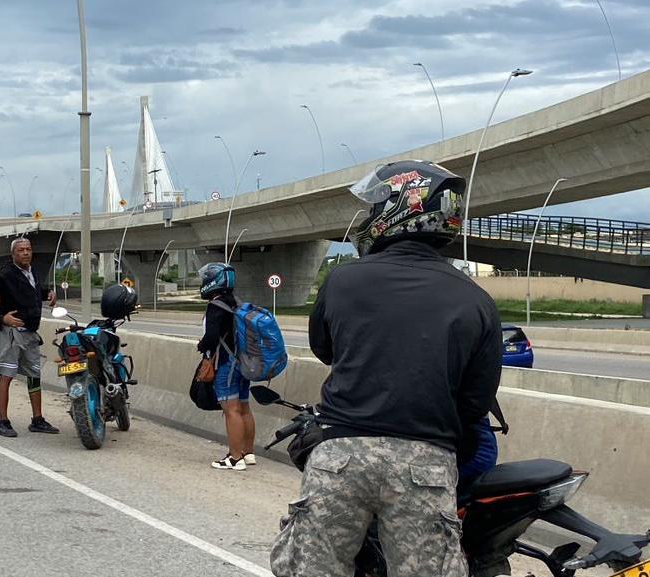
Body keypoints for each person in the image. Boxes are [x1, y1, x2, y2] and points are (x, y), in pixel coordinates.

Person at [270, 160, 501, 577]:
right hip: (424, 463)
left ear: (397, 208)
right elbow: (475, 401)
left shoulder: (342, 280)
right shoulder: (476, 299)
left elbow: (327, 350)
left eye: (376, 204)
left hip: (341, 455)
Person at [0, 237, 59, 437]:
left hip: (30, 332)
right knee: (7, 375)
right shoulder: (4, 275)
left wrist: (49, 293)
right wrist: (3, 318)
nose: (26, 253)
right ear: (13, 254)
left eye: (28, 249)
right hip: (13, 333)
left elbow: (33, 292)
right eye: (21, 250)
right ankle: (3, 422)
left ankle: (37, 419)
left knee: (34, 375)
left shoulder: (32, 271)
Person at [195, 262, 256, 472]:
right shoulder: (236, 302)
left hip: (225, 363)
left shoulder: (216, 305)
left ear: (213, 281)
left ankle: (234, 457)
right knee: (244, 408)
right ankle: (248, 453)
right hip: (243, 362)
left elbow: (211, 338)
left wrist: (201, 346)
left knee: (231, 410)